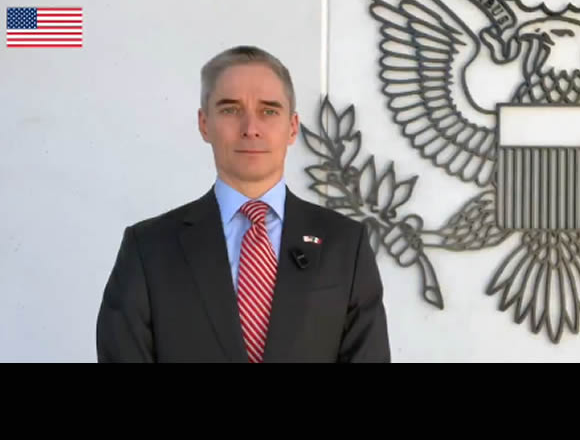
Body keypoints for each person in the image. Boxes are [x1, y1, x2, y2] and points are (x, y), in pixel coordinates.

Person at [96, 46, 391, 363]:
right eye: (230, 110)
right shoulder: (148, 248)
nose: (251, 128)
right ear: (204, 123)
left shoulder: (345, 244)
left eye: (269, 111)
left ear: (292, 127)